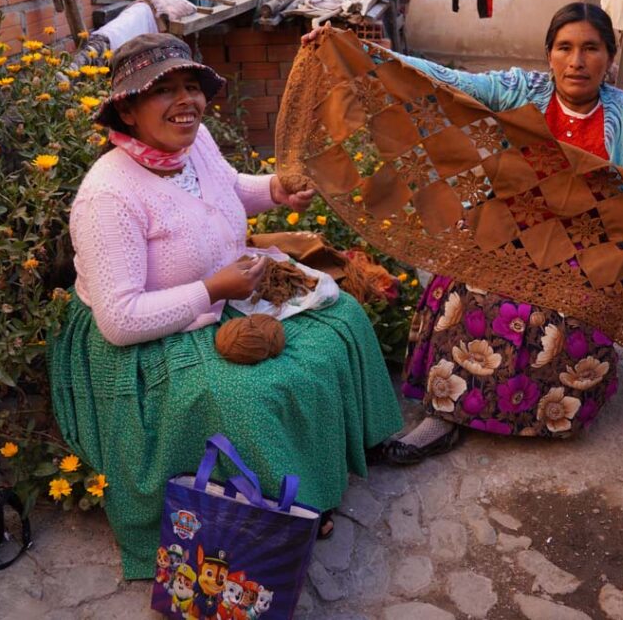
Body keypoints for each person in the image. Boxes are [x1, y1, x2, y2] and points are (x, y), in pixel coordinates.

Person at [302, 2, 623, 464]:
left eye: (591, 48)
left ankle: (541, 413)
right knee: (473, 295)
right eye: (565, 47)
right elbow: (442, 78)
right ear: (549, 54)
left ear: (610, 58)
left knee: (559, 319)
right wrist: (357, 50)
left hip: (593, 245)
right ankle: (446, 413)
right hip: (509, 227)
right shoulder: (520, 91)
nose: (577, 61)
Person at [48, 33, 403, 578]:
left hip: (224, 291)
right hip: (147, 342)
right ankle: (285, 507)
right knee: (247, 394)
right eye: (163, 90)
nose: (186, 101)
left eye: (192, 86)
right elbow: (118, 322)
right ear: (127, 107)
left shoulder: (193, 142)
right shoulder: (108, 197)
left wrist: (276, 193)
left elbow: (231, 186)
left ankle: (324, 466)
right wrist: (213, 289)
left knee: (343, 320)